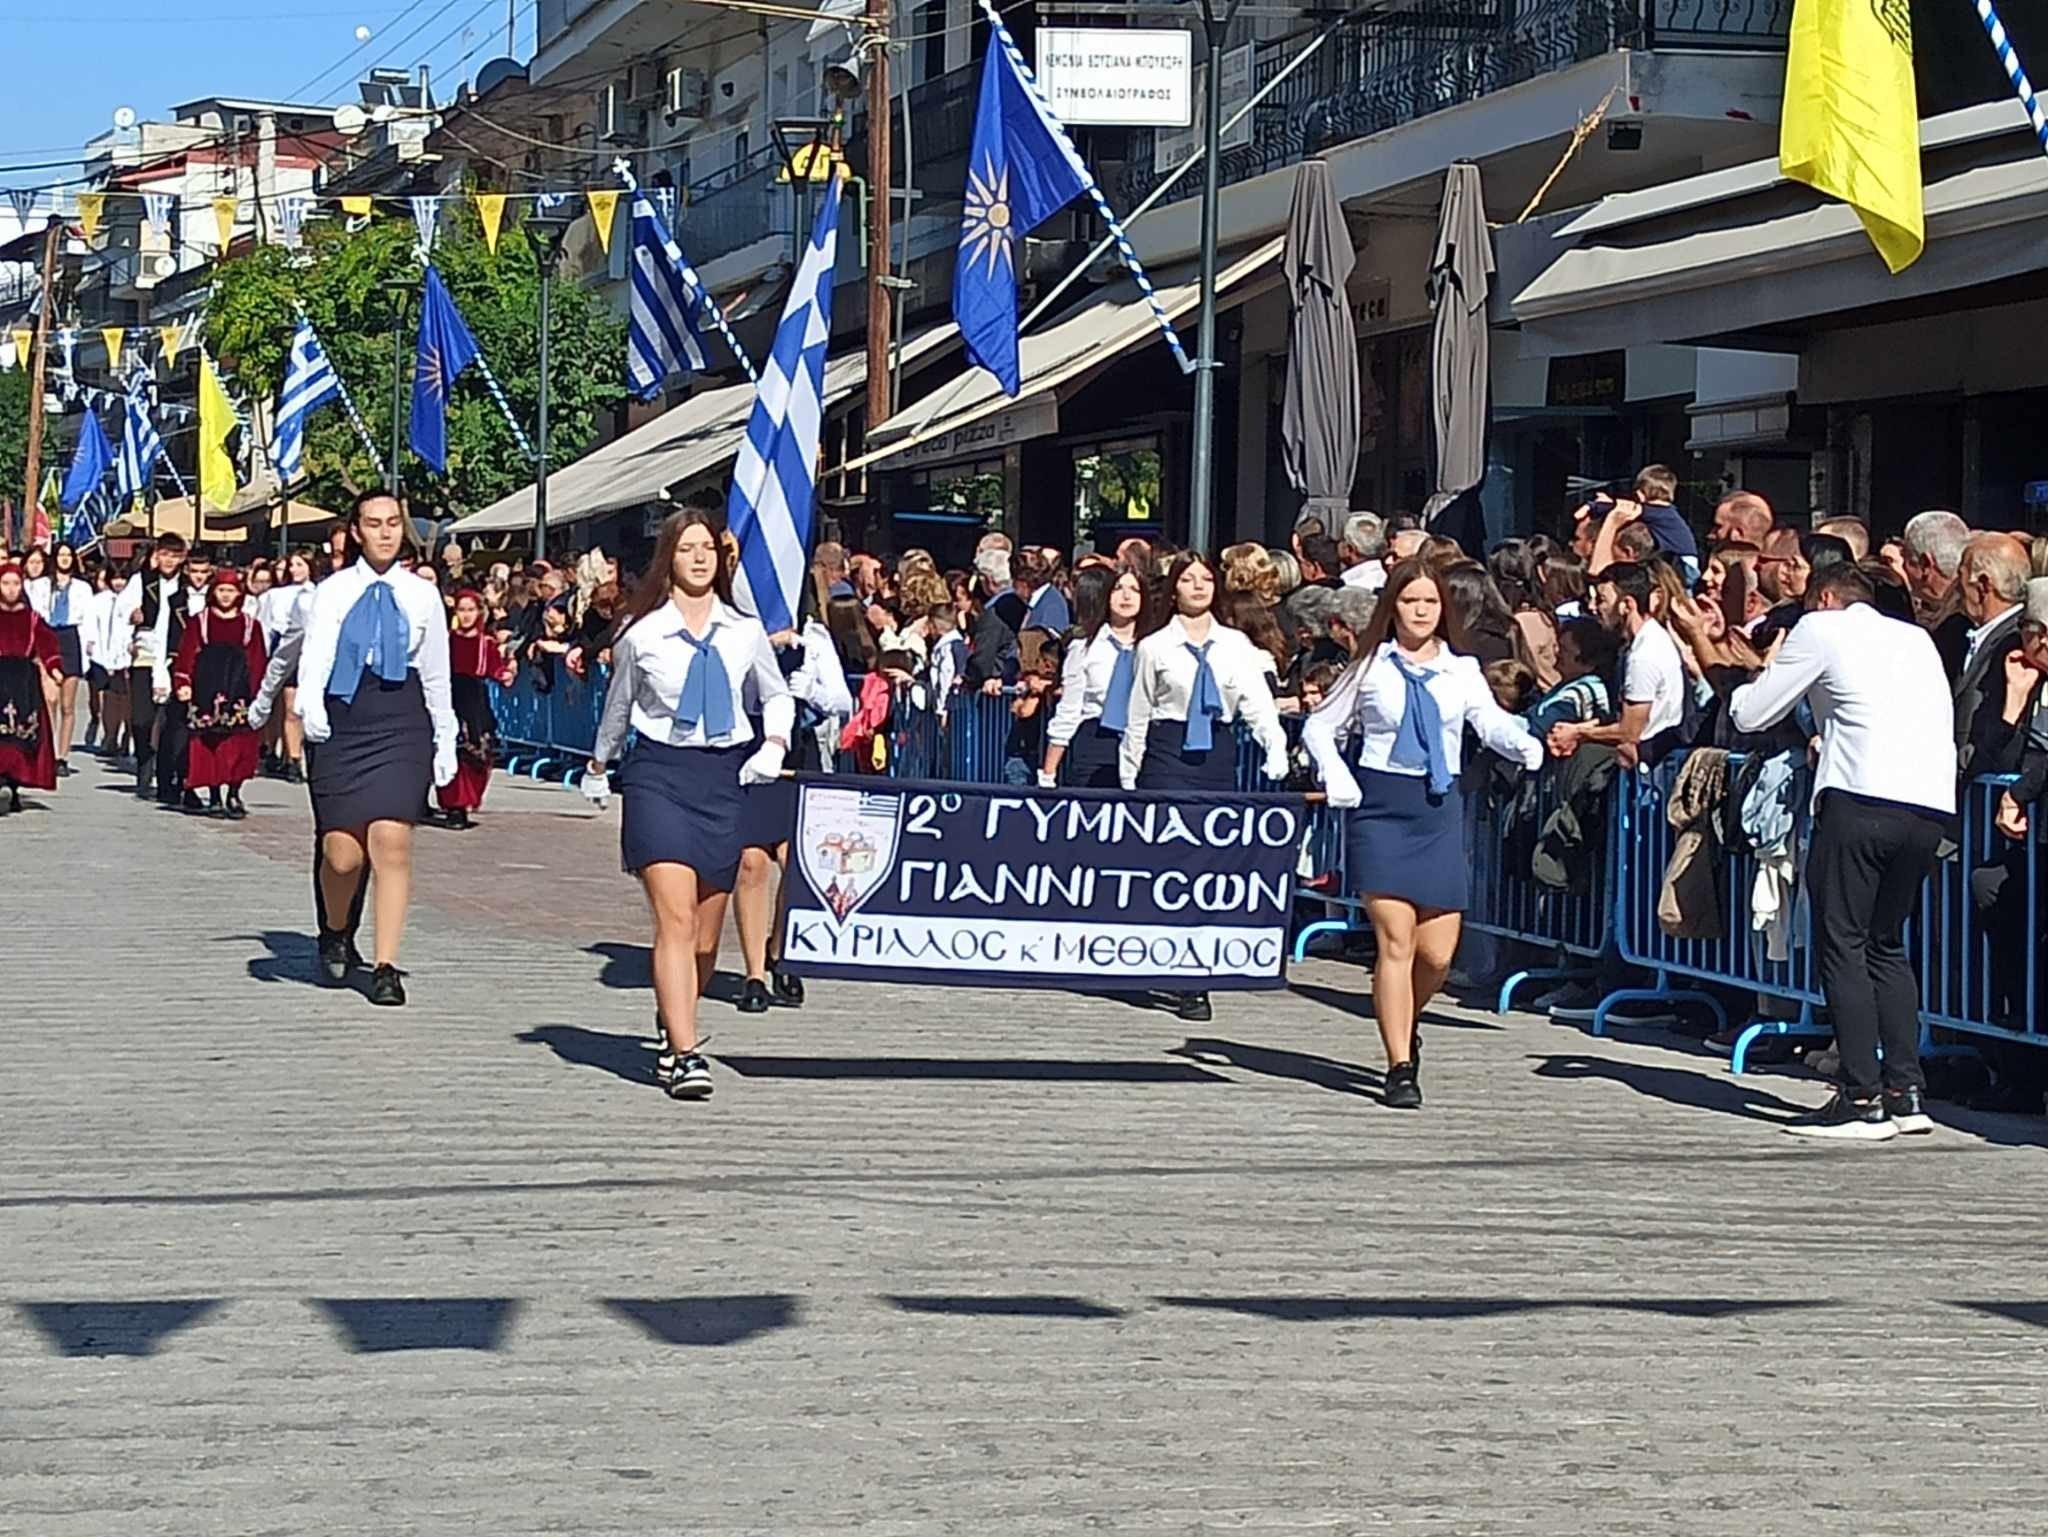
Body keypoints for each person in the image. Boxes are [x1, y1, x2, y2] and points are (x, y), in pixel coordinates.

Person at [1302, 558, 1544, 1109]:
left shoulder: (1460, 670)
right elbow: (1321, 725)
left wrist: (1524, 743)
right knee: (1396, 941)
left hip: (1438, 808)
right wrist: (1338, 775)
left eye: (1430, 603)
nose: (1420, 611)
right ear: (1393, 606)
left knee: (1436, 954)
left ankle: (1406, 1016)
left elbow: (1487, 721)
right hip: (1382, 806)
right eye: (1410, 601)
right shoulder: (1370, 666)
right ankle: (1399, 1064)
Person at [1725, 561, 1954, 1141]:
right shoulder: (1915, 637)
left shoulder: (1821, 628)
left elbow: (1753, 713)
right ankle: (1906, 1090)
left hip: (1860, 798)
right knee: (1886, 944)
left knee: (1842, 943)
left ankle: (1860, 1095)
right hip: (1927, 805)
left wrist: (1760, 666)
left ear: (1824, 597)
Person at [583, 508, 793, 1101]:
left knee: (705, 935)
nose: (699, 558)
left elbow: (775, 695)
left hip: (724, 775)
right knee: (673, 919)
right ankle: (683, 1053)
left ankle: (675, 1012)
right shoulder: (641, 632)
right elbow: (619, 708)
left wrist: (773, 743)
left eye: (707, 549)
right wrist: (599, 764)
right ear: (668, 559)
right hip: (659, 775)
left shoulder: (742, 629)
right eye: (686, 549)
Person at [294, 492, 459, 1007]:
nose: (385, 532)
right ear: (355, 531)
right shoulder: (334, 590)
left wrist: (445, 733)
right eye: (374, 524)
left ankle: (386, 964)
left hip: (400, 718)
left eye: (393, 524)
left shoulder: (421, 593)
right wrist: (310, 706)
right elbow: (317, 648)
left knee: (391, 840)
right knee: (342, 853)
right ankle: (336, 930)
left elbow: (435, 667)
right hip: (345, 713)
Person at [1120, 550, 1291, 1023]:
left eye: (1205, 579)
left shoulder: (1235, 644)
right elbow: (1138, 713)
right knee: (1168, 860)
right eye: (1188, 579)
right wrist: (1129, 775)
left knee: (1206, 863)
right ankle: (1168, 963)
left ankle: (1194, 973)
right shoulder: (1154, 646)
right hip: (1167, 754)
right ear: (1173, 588)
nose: (1198, 586)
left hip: (1216, 754)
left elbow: (1257, 702)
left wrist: (1274, 746)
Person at [733, 598, 853, 1013]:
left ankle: (779, 948)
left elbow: (842, 701)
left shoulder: (814, 638)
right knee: (752, 861)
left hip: (795, 755)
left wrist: (809, 688)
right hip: (745, 746)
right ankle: (753, 974)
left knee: (795, 860)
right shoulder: (736, 628)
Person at [1547, 562, 1687, 770]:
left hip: (1648, 770)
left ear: (1627, 605)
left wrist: (1579, 733)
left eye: (1602, 600)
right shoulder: (1643, 644)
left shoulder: (1644, 656)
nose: (1593, 607)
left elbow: (1630, 731)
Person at [1039, 564, 1151, 789]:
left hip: (1146, 744)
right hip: (1097, 741)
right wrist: (1048, 773)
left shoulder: (1155, 647)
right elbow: (1069, 710)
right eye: (1118, 588)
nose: (1126, 596)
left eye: (1134, 590)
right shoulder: (1084, 648)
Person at [170, 567, 268, 819]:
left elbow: (258, 660)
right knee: (210, 742)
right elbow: (186, 654)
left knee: (239, 743)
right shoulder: (200, 621)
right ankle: (213, 793)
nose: (226, 596)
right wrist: (183, 682)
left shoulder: (250, 625)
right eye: (221, 590)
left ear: (240, 593)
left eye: (231, 591)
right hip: (207, 689)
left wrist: (260, 694)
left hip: (239, 690)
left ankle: (234, 793)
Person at [436, 588, 516, 830]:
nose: (467, 615)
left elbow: (495, 668)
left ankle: (468, 800)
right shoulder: (446, 640)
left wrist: (505, 673)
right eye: (462, 610)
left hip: (475, 701)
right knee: (451, 751)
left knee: (476, 753)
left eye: (471, 610)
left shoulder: (485, 643)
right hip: (450, 698)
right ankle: (454, 805)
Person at [1951, 532, 2030, 777]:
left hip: (1984, 787)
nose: (1957, 587)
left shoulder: (2015, 643)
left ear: (1984, 585)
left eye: (1961, 576)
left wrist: (1963, 762)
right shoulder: (1964, 635)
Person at [129, 533, 191, 804]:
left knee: (171, 722)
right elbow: (123, 610)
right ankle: (144, 758)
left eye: (175, 555)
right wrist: (132, 617)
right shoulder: (143, 581)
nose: (169, 560)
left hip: (174, 657)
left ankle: (167, 777)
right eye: (165, 554)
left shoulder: (187, 587)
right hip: (145, 653)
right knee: (142, 718)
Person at [0, 559, 60, 812]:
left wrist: (54, 667)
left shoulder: (33, 619)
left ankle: (12, 785)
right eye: (5, 583)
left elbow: (48, 644)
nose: (11, 589)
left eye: (15, 583)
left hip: (24, 681)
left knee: (21, 735)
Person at [1900, 509, 1973, 679]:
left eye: (1907, 558)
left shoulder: (1959, 623)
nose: (1902, 567)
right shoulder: (1947, 610)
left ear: (1925, 564)